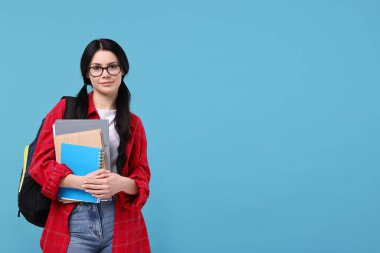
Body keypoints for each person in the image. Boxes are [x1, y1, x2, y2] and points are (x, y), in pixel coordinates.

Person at [29, 38, 151, 253]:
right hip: (73, 219)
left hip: (120, 219)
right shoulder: (65, 110)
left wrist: (120, 183)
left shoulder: (134, 123)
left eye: (112, 66)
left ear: (123, 70)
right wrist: (81, 182)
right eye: (96, 68)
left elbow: (141, 177)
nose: (105, 74)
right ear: (87, 74)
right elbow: (39, 165)